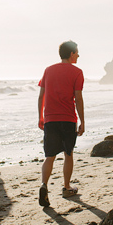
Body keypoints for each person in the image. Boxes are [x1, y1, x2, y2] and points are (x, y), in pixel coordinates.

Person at [37, 40, 85, 207]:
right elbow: (78, 98)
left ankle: (44, 185)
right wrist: (82, 121)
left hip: (50, 118)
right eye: (77, 52)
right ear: (71, 53)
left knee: (49, 156)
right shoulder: (77, 72)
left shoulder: (48, 70)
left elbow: (41, 96)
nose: (78, 55)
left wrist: (40, 117)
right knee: (68, 154)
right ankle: (66, 188)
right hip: (68, 118)